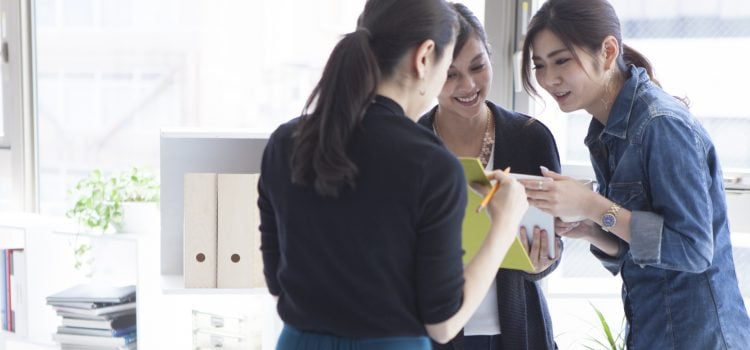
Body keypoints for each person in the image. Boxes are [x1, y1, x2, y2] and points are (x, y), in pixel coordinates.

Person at [257, 1, 530, 349]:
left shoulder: (285, 143)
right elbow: (443, 323)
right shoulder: (431, 163)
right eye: (447, 68)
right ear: (424, 57)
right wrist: (504, 224)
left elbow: (277, 281)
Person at [518, 0, 750, 348]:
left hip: (702, 339)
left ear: (608, 51)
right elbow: (635, 250)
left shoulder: (660, 125)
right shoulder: (605, 130)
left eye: (562, 60)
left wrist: (594, 205)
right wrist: (590, 228)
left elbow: (692, 250)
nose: (549, 78)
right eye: (539, 65)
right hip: (653, 332)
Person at [418, 3, 560, 349]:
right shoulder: (413, 146)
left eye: (478, 66)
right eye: (450, 74)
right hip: (437, 334)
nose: (468, 85)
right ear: (427, 72)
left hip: (518, 331)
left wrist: (541, 262)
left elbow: (552, 244)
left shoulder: (531, 137)